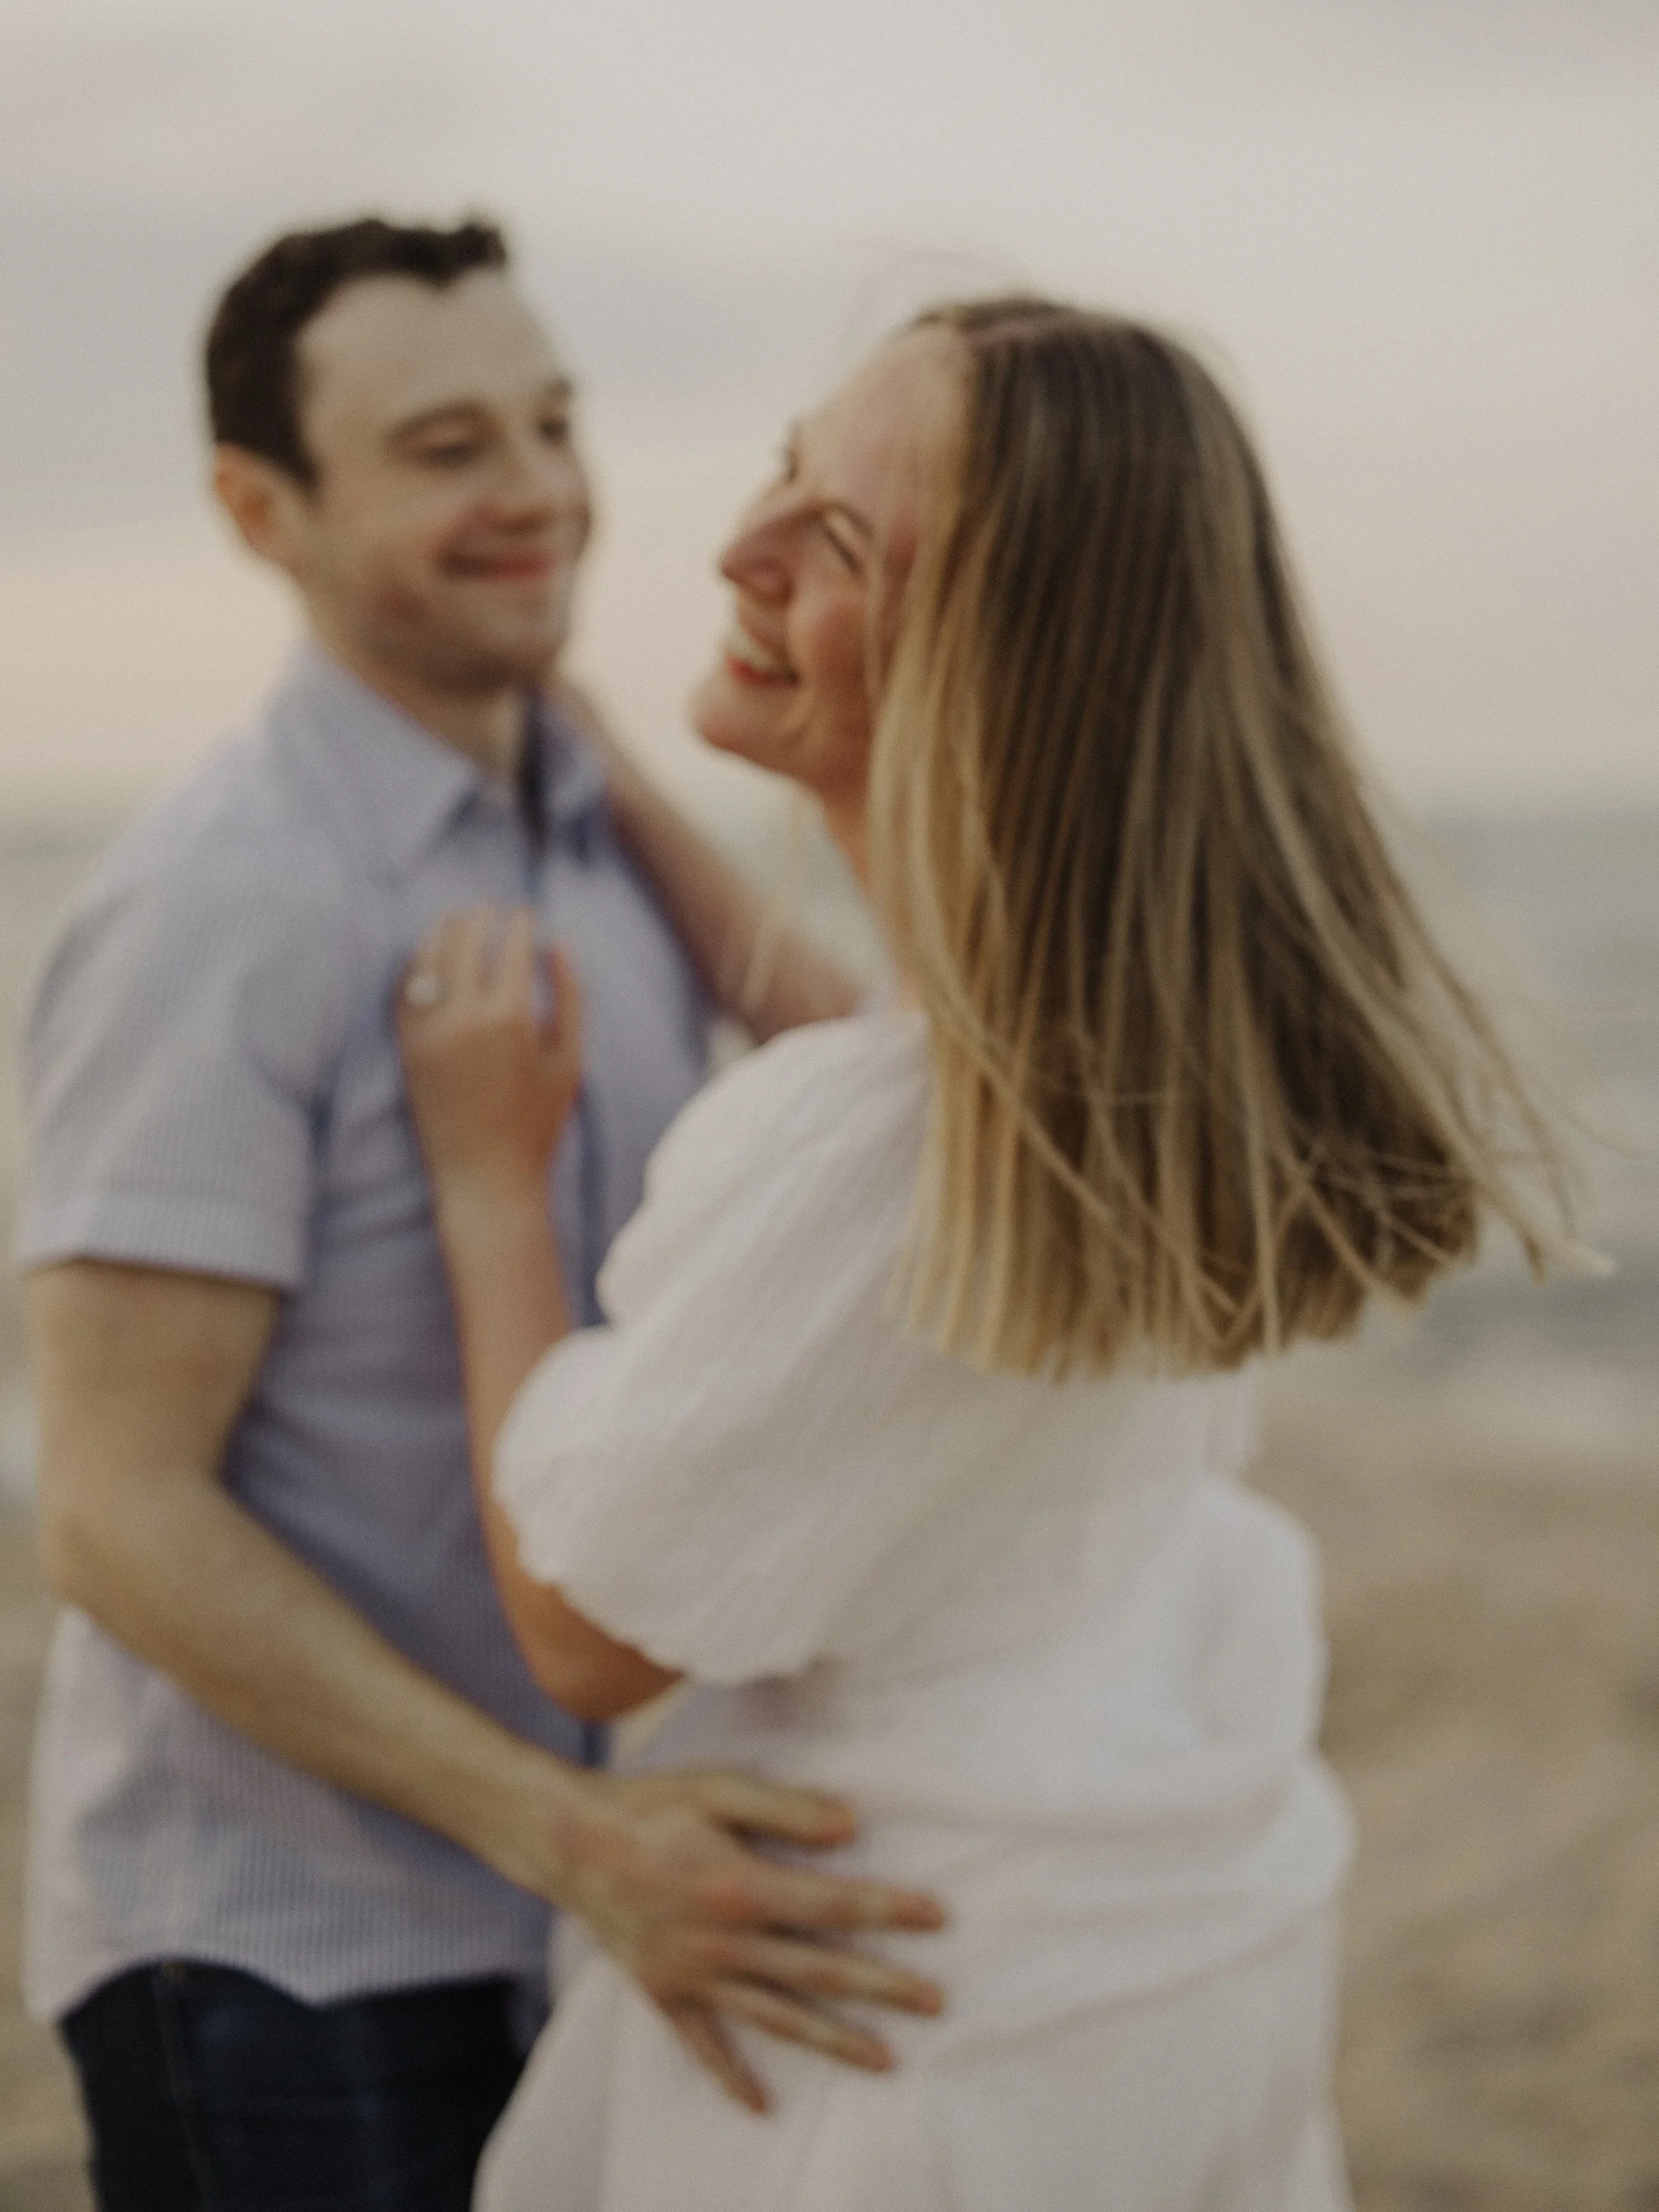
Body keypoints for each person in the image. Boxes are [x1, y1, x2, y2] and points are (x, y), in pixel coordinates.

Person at [395, 298, 1571, 2209]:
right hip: (1132, 1963)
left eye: (837, 546)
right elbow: (894, 1047)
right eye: (782, 471)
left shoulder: (881, 1155)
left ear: (996, 671)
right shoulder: (1137, 1084)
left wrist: (485, 1191)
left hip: (888, 2031)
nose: (736, 548)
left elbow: (588, 1631)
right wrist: (639, 791)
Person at [17, 216, 948, 2212]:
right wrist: (562, 1829)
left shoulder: (600, 846)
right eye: (448, 450)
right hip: (289, 1957)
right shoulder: (223, 904)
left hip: (577, 1917)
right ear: (260, 510)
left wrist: (610, 752)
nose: (536, 490)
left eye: (550, 421)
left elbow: (899, 1091)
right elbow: (110, 1508)